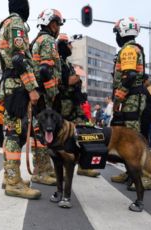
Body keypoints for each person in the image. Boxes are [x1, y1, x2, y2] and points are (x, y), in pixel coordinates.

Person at [0, 0, 41, 199]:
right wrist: (31, 88)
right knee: (15, 134)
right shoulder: (16, 24)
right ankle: (13, 182)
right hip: (16, 85)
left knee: (11, 132)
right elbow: (19, 59)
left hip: (10, 84)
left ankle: (10, 177)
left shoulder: (5, 23)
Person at [110, 17, 151, 190]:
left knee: (133, 139)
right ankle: (131, 172)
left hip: (131, 99)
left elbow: (129, 77)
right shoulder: (132, 48)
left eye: (117, 32)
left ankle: (145, 177)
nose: (116, 35)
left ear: (123, 31)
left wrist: (118, 99)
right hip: (132, 98)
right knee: (129, 137)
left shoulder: (128, 49)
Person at [55, 33, 100, 178]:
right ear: (62, 45)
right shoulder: (56, 62)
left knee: (83, 134)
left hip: (75, 106)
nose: (71, 47)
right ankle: (58, 168)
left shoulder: (67, 63)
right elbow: (55, 82)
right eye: (69, 44)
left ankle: (83, 166)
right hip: (62, 106)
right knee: (62, 138)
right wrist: (70, 81)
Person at [29, 8, 65, 186]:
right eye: (58, 24)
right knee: (42, 131)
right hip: (45, 94)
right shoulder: (49, 40)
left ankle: (43, 169)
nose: (58, 28)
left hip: (38, 92)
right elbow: (45, 69)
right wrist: (54, 93)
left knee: (40, 131)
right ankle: (41, 171)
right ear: (52, 24)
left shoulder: (37, 40)